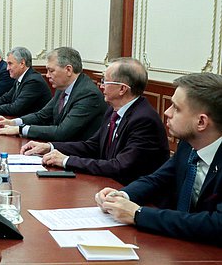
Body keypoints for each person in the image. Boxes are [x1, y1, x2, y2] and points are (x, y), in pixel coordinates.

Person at [96, 72, 222, 245]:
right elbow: (157, 179)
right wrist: (122, 195)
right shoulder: (188, 145)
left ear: (201, 122)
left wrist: (138, 214)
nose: (166, 112)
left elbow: (217, 224)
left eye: (176, 108)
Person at [21, 58, 169, 184]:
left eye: (105, 81)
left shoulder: (143, 120)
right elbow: (93, 145)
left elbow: (120, 166)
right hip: (109, 185)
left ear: (122, 89)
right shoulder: (113, 109)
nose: (101, 85)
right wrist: (49, 147)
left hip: (133, 194)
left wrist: (66, 161)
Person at [0, 47, 107, 141]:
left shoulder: (88, 94)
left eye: (51, 71)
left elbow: (62, 132)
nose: (47, 75)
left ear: (68, 70)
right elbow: (42, 115)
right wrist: (13, 122)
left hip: (78, 156)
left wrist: (21, 129)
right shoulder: (62, 87)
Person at [0, 46, 51, 117]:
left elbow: (15, 108)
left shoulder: (33, 81)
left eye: (10, 64)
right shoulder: (21, 77)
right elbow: (6, 98)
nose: (7, 68)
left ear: (22, 63)